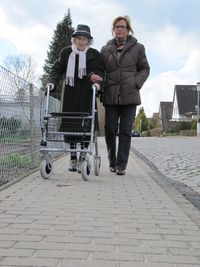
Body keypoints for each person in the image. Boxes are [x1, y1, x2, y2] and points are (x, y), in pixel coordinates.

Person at [46, 24, 104, 171]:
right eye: (78, 38)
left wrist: (96, 82)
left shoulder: (95, 54)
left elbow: (98, 71)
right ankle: (72, 157)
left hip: (86, 94)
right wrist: (52, 82)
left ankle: (83, 157)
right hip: (70, 95)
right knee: (71, 127)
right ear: (74, 39)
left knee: (85, 126)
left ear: (89, 41)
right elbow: (57, 69)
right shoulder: (66, 53)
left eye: (84, 39)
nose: (81, 42)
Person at [100, 16, 150, 175]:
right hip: (111, 95)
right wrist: (100, 84)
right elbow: (100, 70)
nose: (119, 29)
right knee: (110, 130)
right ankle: (112, 161)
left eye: (122, 26)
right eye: (116, 26)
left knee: (125, 131)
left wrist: (136, 82)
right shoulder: (105, 49)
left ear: (128, 30)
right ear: (113, 30)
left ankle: (121, 165)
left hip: (130, 95)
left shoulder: (138, 48)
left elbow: (145, 69)